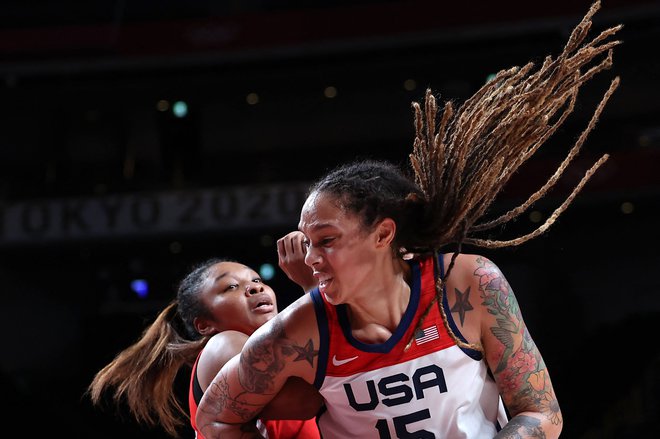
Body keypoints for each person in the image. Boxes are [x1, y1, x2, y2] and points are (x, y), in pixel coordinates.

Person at [195, 2, 621, 438]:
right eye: (307, 242)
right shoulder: (300, 329)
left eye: (326, 240)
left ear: (383, 234)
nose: (310, 257)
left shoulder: (468, 283)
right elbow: (213, 418)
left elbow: (541, 413)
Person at [87, 231, 323, 438]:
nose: (255, 287)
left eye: (257, 280)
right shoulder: (224, 343)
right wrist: (314, 290)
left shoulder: (287, 353)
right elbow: (306, 400)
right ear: (205, 325)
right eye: (231, 287)